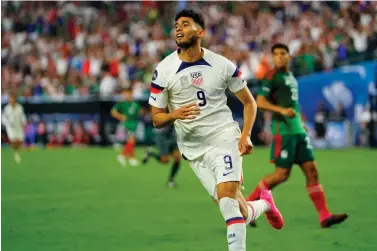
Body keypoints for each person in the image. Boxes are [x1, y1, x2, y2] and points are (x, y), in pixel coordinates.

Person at [149, 9, 283, 251]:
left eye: (185, 24)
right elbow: (156, 119)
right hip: (193, 150)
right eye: (176, 25)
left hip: (223, 138)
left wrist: (245, 135)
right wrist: (173, 115)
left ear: (200, 32)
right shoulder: (163, 70)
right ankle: (264, 205)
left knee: (228, 202)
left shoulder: (222, 65)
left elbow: (250, 102)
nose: (178, 28)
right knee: (236, 210)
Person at [247, 43, 348, 228]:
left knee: (312, 172)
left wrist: (300, 122)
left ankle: (325, 216)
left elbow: (293, 104)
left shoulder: (291, 77)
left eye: (283, 53)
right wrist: (282, 111)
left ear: (288, 56)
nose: (279, 57)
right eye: (275, 54)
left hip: (298, 132)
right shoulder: (271, 77)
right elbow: (259, 102)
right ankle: (247, 207)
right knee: (281, 175)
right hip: (284, 132)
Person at [111, 87, 143, 167]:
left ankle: (125, 156)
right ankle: (128, 157)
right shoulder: (122, 103)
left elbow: (140, 112)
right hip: (127, 124)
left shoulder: (135, 104)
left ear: (131, 94)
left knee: (131, 142)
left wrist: (141, 112)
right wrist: (121, 116)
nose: (125, 95)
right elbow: (113, 112)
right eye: (124, 94)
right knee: (131, 141)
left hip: (134, 123)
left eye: (127, 94)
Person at [2, 93, 27, 163]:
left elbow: (22, 116)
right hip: (10, 127)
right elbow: (3, 118)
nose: (12, 100)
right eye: (10, 98)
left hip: (18, 126)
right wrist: (6, 123)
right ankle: (16, 154)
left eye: (13, 98)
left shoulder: (20, 107)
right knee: (13, 140)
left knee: (20, 141)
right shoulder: (7, 108)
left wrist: (24, 122)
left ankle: (17, 153)